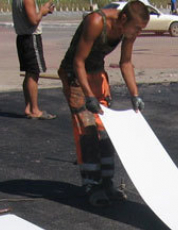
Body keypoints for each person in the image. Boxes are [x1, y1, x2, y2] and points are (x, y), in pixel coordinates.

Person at [58, 0, 150, 207]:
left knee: (106, 130)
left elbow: (125, 62)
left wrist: (135, 94)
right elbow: (78, 62)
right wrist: (88, 96)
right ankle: (92, 185)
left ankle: (106, 182)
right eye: (136, 28)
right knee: (87, 130)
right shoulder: (96, 22)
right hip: (75, 75)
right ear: (124, 19)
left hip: (97, 73)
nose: (138, 33)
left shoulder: (128, 30)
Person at [12, 0, 57, 119]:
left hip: (22, 38)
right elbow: (33, 20)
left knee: (29, 73)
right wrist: (42, 11)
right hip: (31, 38)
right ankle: (35, 110)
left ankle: (29, 107)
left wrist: (43, 11)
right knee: (33, 73)